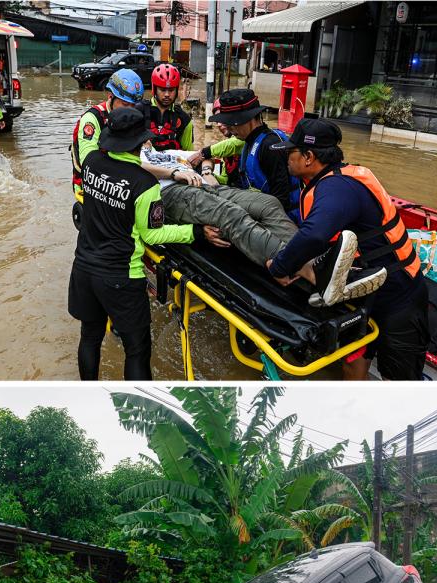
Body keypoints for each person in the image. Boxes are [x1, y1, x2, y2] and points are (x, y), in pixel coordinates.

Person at [266, 119, 425, 378]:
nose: (286, 158)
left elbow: (314, 235)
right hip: (363, 290)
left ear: (308, 157)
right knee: (353, 361)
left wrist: (281, 266)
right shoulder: (327, 182)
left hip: (397, 295)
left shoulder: (337, 188)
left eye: (290, 152)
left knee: (399, 378)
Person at [139, 141, 365, 304]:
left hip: (206, 187)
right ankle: (309, 272)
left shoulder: (169, 151)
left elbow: (203, 155)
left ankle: (313, 258)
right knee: (232, 215)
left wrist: (206, 170)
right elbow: (135, 170)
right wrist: (173, 172)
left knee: (268, 203)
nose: (146, 140)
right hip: (171, 195)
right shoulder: (135, 160)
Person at [69, 106, 196, 380]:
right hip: (121, 277)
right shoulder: (145, 185)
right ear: (141, 142)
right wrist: (192, 231)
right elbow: (152, 235)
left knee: (89, 337)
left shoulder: (91, 163)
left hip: (84, 268)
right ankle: (144, 413)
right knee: (137, 350)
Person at [209, 88, 302, 222]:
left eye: (231, 122)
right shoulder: (249, 141)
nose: (228, 128)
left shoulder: (270, 146)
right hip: (259, 210)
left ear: (250, 118)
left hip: (282, 221)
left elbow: (281, 199)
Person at [70, 68, 144, 194]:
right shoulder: (93, 119)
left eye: (134, 106)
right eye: (125, 105)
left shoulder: (131, 118)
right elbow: (89, 163)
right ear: (110, 97)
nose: (130, 111)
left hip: (121, 178)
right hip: (91, 183)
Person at [142, 64, 193, 152]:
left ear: (177, 90)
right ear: (154, 89)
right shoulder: (139, 112)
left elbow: (189, 153)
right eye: (162, 90)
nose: (167, 95)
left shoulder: (185, 120)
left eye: (171, 90)